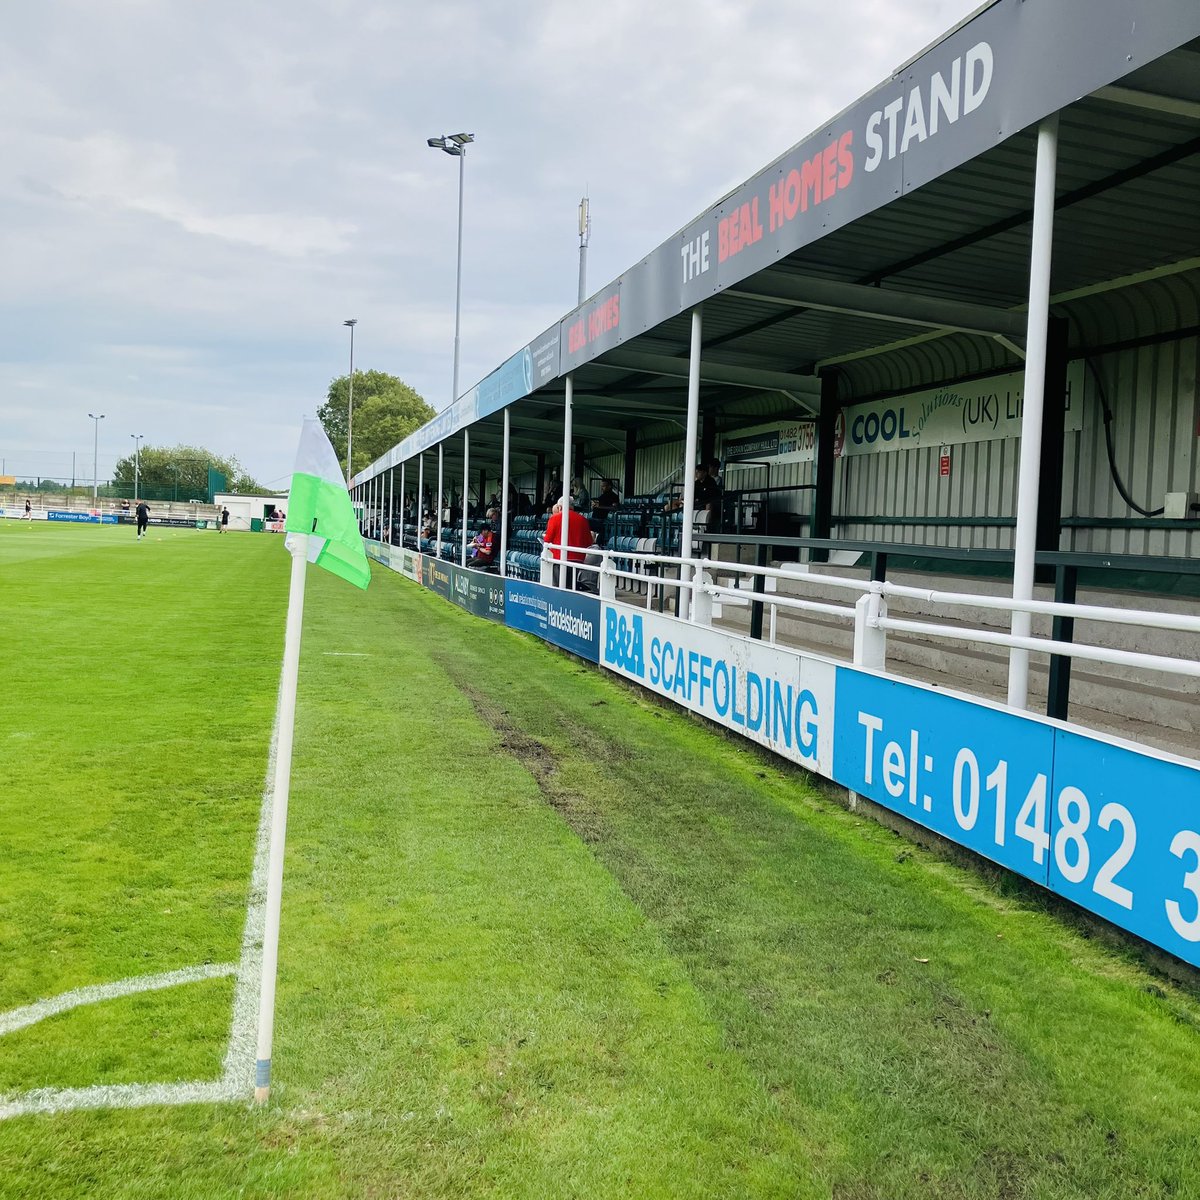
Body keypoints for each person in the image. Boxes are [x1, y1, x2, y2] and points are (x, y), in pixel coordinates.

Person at [543, 500, 597, 591]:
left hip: (559, 558)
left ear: (560, 507)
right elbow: (589, 541)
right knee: (571, 587)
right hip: (578, 559)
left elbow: (547, 539)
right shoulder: (583, 519)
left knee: (558, 587)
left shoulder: (554, 518)